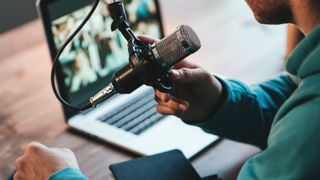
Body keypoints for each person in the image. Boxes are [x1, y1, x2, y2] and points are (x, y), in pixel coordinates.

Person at [14, 0, 320, 179]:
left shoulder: (311, 125)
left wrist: (61, 177)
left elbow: (304, 127)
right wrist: (222, 102)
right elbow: (294, 94)